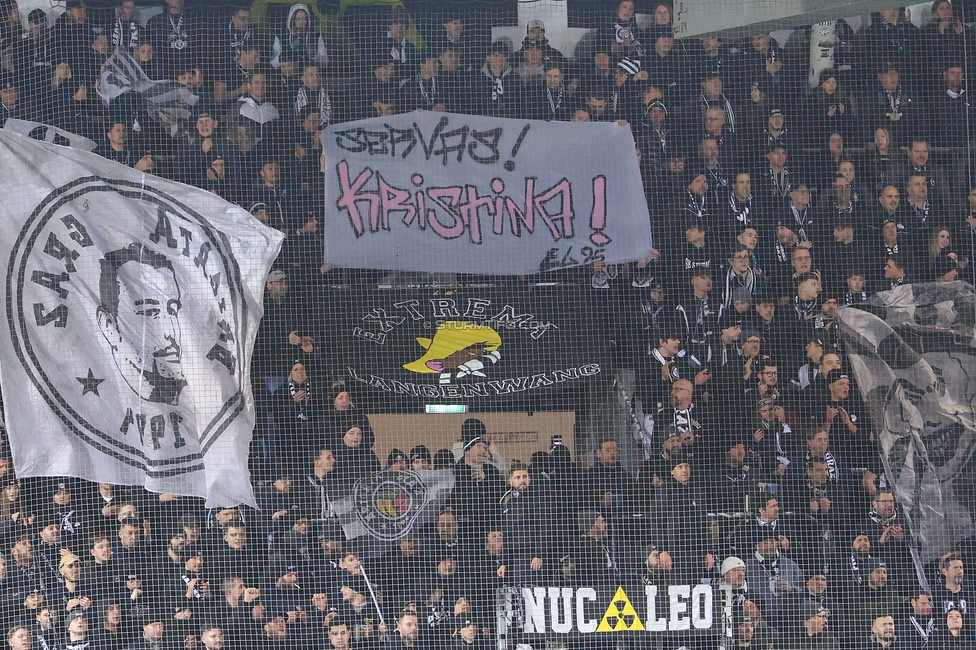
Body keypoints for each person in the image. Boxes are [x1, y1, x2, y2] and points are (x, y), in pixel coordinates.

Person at [96, 243, 185, 405]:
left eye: (172, 312)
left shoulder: (201, 386)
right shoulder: (105, 404)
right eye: (151, 313)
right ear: (108, 325)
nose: (170, 333)